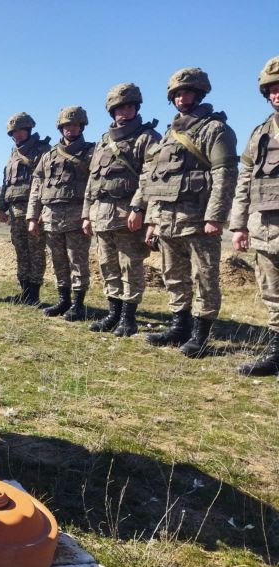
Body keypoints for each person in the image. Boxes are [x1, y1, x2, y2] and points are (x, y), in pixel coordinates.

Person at [142, 68, 238, 357]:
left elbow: (225, 175)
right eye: (177, 94)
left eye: (187, 92)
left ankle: (201, 335)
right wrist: (151, 220)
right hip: (167, 220)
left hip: (198, 220)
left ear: (199, 93)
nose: (181, 98)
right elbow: (154, 180)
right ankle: (179, 327)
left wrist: (215, 217)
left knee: (205, 277)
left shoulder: (215, 130)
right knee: (173, 275)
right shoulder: (169, 136)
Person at [82, 84, 161, 336]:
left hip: (128, 215)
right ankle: (113, 313)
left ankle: (129, 318)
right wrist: (86, 214)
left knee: (131, 266)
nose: (123, 112)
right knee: (107, 266)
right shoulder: (104, 142)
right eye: (118, 108)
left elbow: (150, 177)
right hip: (101, 216)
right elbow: (92, 182)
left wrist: (138, 208)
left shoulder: (147, 138)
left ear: (136, 107)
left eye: (128, 107)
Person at [230, 56, 279, 376]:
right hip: (266, 227)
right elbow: (245, 180)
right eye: (272, 89)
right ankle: (276, 352)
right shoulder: (260, 132)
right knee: (272, 293)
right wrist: (238, 225)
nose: (277, 94)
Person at [27, 106, 95, 321]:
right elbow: (37, 187)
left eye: (75, 125)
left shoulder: (92, 152)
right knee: (58, 261)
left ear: (81, 126)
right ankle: (63, 300)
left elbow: (96, 185)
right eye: (67, 125)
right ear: (61, 128)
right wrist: (32, 216)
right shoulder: (48, 156)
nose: (71, 129)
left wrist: (89, 215)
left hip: (77, 215)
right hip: (51, 216)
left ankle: (77, 304)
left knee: (77, 260)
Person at [0, 112, 51, 305]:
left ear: (28, 130)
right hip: (14, 210)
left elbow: (47, 182)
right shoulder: (13, 154)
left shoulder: (43, 150)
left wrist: (40, 212)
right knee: (21, 250)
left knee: (35, 251)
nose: (17, 135)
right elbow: (6, 182)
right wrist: (2, 207)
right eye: (14, 132)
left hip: (33, 210)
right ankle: (25, 292)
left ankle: (34, 294)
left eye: (20, 131)